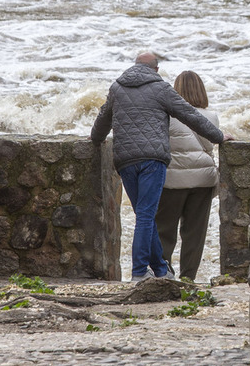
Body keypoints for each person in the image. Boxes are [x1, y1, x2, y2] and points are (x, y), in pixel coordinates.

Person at [90, 52, 232, 282]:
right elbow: (190, 115)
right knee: (147, 217)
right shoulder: (160, 87)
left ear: (135, 66)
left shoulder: (117, 87)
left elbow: (103, 117)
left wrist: (94, 140)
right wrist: (218, 137)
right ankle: (140, 272)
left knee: (144, 215)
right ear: (156, 69)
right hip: (153, 161)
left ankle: (160, 269)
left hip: (125, 160)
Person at [157, 70, 220, 282]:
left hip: (172, 180)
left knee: (164, 230)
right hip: (203, 180)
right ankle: (188, 279)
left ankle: (163, 275)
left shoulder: (166, 116)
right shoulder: (211, 116)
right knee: (194, 234)